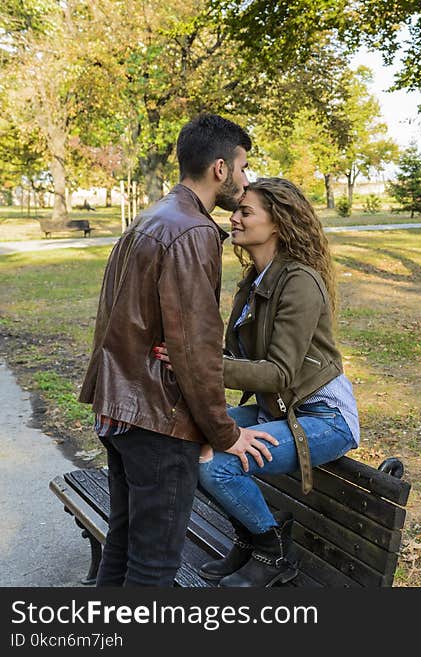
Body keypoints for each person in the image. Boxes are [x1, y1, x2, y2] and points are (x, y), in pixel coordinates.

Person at [78, 114, 276, 587]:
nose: (245, 180)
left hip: (121, 411)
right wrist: (225, 434)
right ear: (221, 169)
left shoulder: (151, 217)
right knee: (154, 565)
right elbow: (193, 350)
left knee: (123, 547)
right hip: (157, 420)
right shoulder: (193, 231)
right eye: (243, 168)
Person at [155, 177, 360, 587]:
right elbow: (237, 358)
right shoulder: (255, 281)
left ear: (278, 224)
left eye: (246, 212)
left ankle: (273, 552)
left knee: (219, 466)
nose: (233, 218)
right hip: (278, 409)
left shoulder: (299, 282)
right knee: (187, 438)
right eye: (236, 211)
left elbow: (279, 373)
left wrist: (198, 364)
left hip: (324, 417)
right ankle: (251, 539)